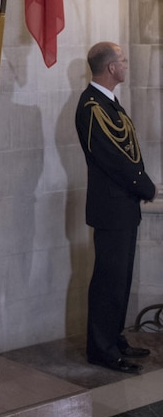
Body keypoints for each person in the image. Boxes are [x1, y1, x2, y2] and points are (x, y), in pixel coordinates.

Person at [75, 41, 156, 373]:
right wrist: (145, 186)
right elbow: (114, 159)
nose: (125, 64)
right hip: (111, 208)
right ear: (110, 68)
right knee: (108, 278)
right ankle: (101, 349)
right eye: (122, 60)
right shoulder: (92, 107)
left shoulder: (107, 103)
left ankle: (113, 337)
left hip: (123, 206)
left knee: (120, 277)